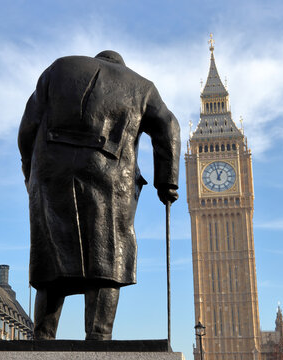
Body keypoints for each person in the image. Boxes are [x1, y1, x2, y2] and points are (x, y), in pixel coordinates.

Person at [18, 50, 180, 340]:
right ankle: (99, 335)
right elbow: (168, 126)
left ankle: (42, 334)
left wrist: (29, 169)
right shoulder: (142, 86)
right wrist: (167, 183)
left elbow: (27, 126)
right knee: (107, 253)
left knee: (52, 252)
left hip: (51, 172)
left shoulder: (58, 68)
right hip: (111, 177)